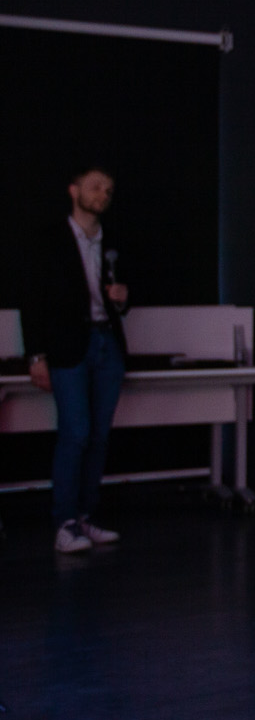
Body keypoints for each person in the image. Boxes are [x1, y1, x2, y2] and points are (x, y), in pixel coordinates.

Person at [23, 166, 132, 555]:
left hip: (107, 343)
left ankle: (85, 516)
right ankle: (65, 523)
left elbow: (122, 296)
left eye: (108, 189)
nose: (103, 194)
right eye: (95, 187)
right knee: (76, 433)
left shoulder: (111, 239)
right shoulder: (50, 239)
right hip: (69, 346)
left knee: (99, 436)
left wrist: (122, 298)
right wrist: (36, 355)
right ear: (74, 190)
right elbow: (33, 299)